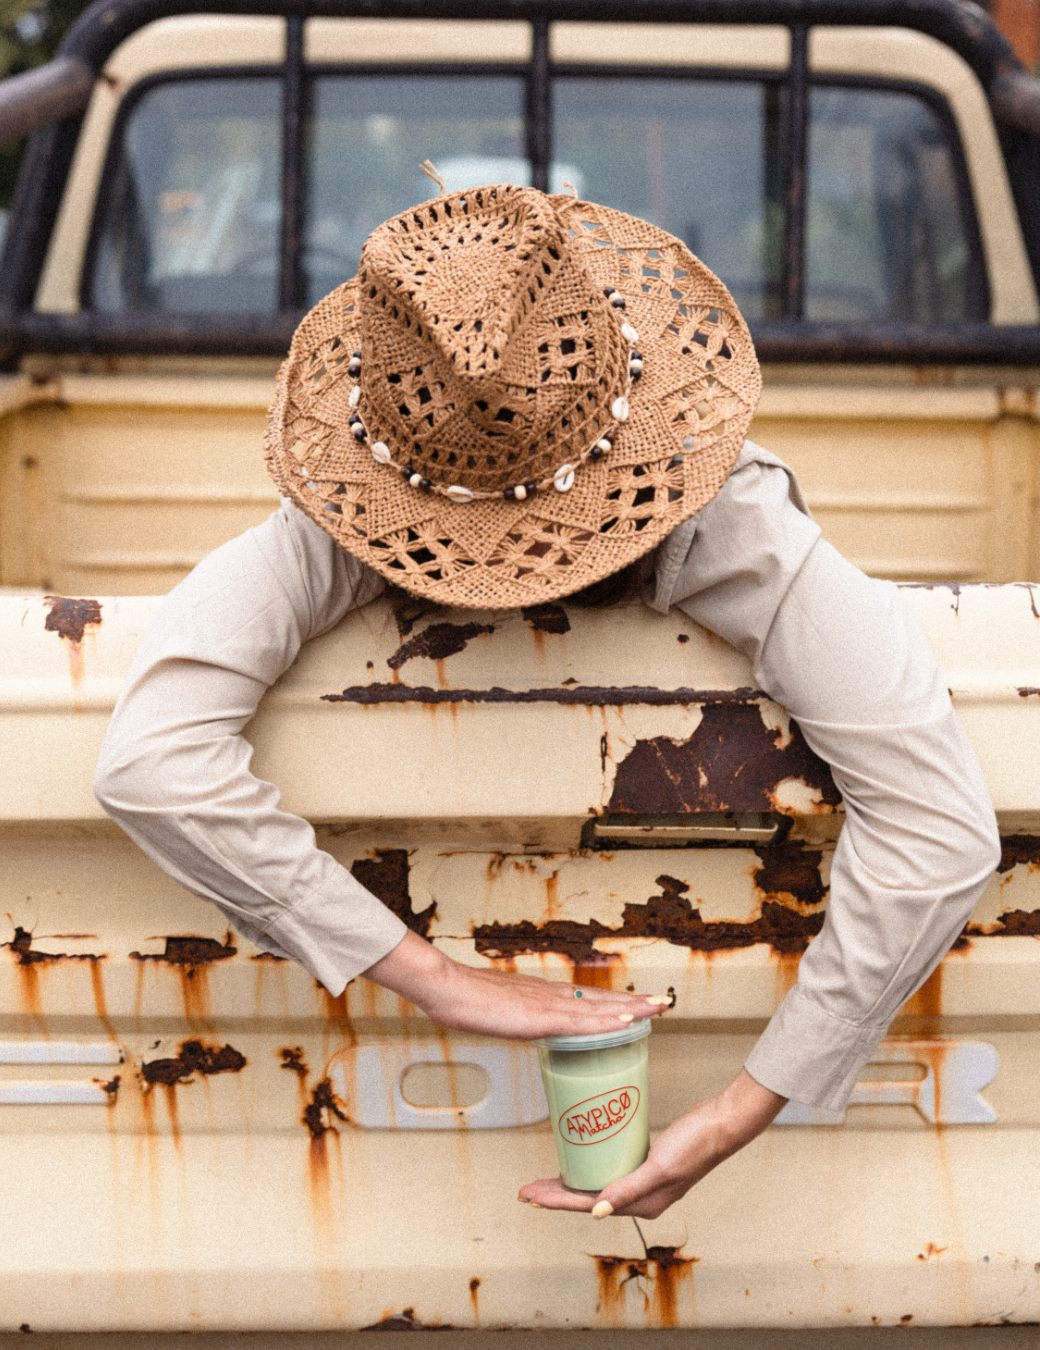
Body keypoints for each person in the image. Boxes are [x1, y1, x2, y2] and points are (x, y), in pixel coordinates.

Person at [94, 183, 1000, 1223]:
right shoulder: (357, 504)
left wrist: (740, 1109)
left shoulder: (728, 514)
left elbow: (937, 828)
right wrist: (439, 978)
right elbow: (150, 762)